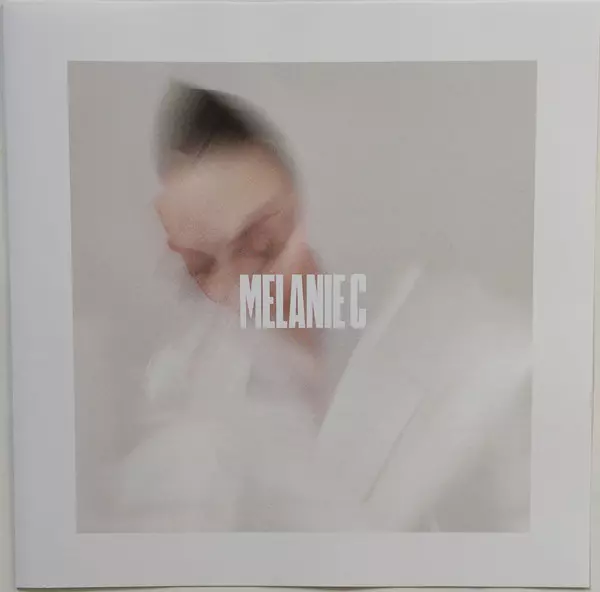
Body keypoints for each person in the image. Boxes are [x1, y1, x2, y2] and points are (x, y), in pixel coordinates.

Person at [109, 82, 531, 533]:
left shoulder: (491, 356)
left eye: (262, 243)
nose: (238, 285)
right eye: (202, 267)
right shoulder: (182, 377)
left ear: (317, 204)